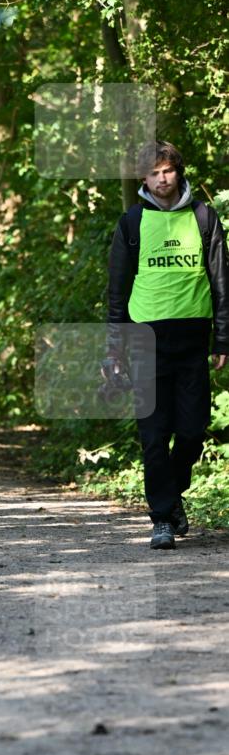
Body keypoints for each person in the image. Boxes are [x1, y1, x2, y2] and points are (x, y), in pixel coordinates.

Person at [107, 140, 228, 549]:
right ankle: (161, 517)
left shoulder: (204, 217)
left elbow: (221, 283)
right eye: (154, 172)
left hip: (194, 341)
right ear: (144, 178)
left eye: (168, 170)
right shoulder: (131, 222)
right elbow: (117, 291)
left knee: (193, 433)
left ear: (179, 172)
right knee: (154, 435)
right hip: (145, 342)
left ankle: (171, 495)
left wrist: (223, 337)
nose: (162, 178)